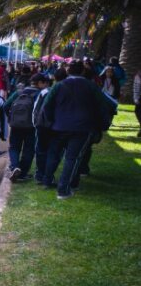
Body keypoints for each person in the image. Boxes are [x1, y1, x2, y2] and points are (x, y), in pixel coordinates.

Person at [42, 61, 112, 199]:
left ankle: (47, 180)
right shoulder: (91, 86)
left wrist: (52, 121)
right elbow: (104, 106)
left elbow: (47, 106)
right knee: (72, 158)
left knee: (54, 154)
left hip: (59, 127)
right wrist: (102, 124)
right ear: (82, 72)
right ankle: (64, 189)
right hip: (83, 128)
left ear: (68, 71)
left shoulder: (59, 85)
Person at [5, 73, 47, 181]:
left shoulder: (19, 92)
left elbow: (5, 106)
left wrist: (11, 118)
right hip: (32, 126)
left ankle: (15, 166)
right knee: (28, 150)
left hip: (16, 125)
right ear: (40, 83)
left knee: (14, 147)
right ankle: (22, 173)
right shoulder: (41, 94)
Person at [135, 71, 141, 137]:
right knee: (137, 112)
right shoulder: (138, 75)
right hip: (140, 97)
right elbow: (136, 88)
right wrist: (136, 98)